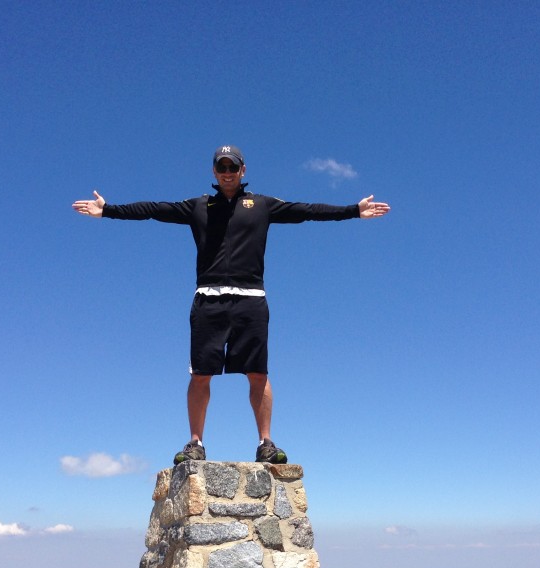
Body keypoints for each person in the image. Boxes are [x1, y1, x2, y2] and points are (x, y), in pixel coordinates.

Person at [73, 145, 390, 465]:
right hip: (208, 300)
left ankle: (266, 442)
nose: (227, 172)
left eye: (233, 167)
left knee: (258, 373)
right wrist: (108, 209)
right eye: (221, 167)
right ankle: (195, 443)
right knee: (201, 375)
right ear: (214, 171)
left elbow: (306, 210)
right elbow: (154, 209)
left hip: (251, 300)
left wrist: (353, 210)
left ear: (243, 170)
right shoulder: (197, 206)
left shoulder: (263, 205)